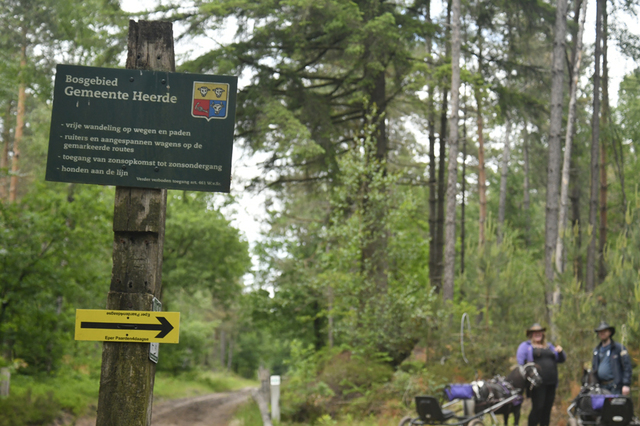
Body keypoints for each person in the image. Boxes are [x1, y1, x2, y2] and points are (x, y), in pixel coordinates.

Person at [516, 323, 566, 426]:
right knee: (538, 408)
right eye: (535, 333)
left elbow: (561, 359)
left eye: (540, 332)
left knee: (547, 410)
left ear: (543, 334)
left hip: (551, 383)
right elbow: (521, 364)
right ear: (531, 334)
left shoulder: (549, 346)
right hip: (537, 383)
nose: (538, 334)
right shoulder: (526, 346)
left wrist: (560, 352)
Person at [592, 321, 632, 395]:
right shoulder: (596, 351)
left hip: (615, 387)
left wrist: (626, 384)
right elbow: (594, 368)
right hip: (601, 388)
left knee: (615, 406)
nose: (602, 333)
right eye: (600, 331)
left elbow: (627, 367)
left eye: (604, 331)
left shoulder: (618, 348)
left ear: (609, 332)